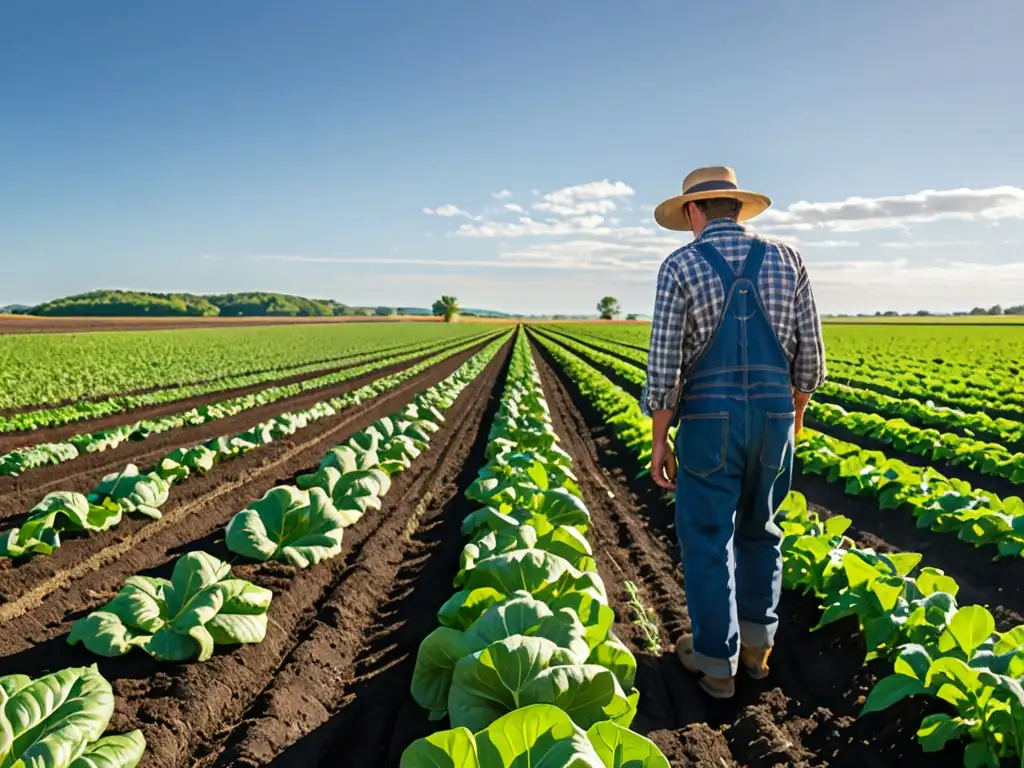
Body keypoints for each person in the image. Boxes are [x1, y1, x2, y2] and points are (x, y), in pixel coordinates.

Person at [641, 166, 826, 699]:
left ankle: (716, 665)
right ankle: (758, 650)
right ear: (738, 209)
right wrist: (793, 419)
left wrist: (660, 438)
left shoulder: (681, 265)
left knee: (706, 540)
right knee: (761, 531)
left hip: (707, 422)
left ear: (695, 212)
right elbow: (809, 361)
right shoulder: (789, 260)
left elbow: (665, 366)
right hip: (774, 418)